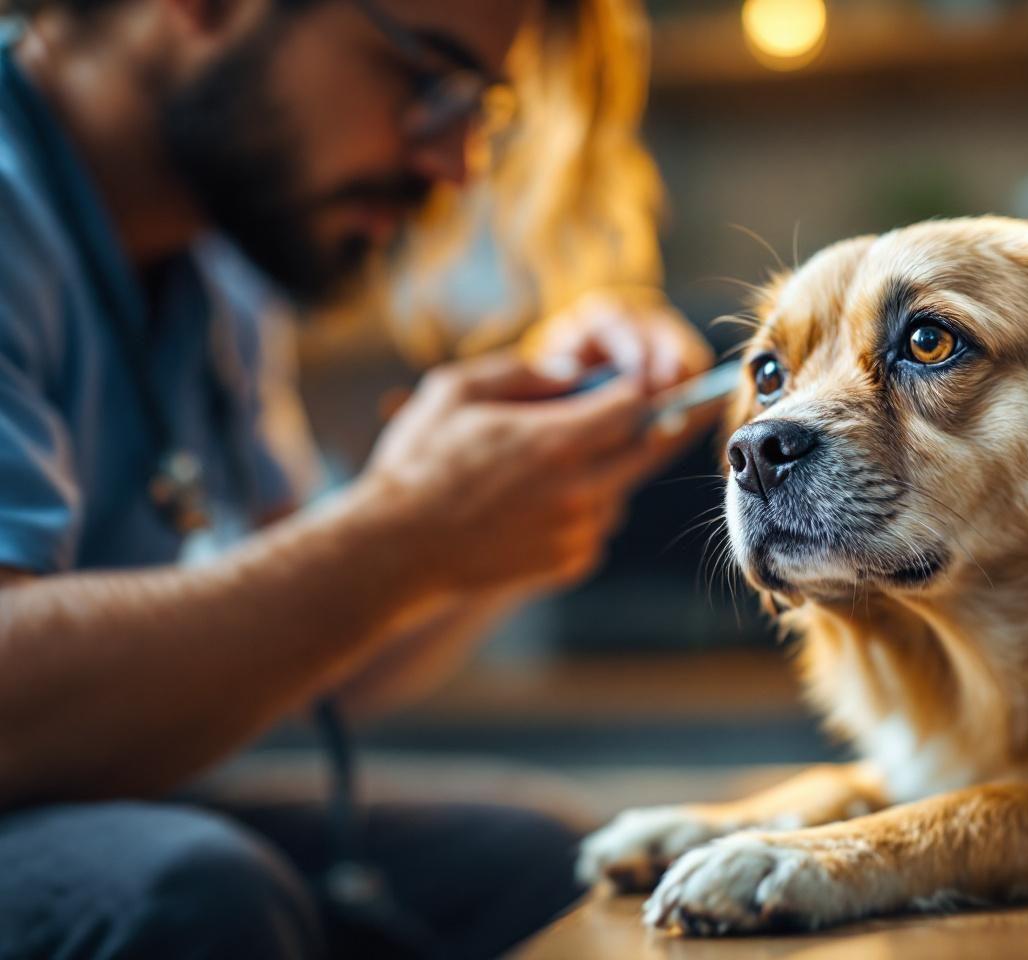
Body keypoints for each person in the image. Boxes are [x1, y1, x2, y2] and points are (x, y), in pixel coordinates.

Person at [0, 0, 714, 957]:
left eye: (477, 111)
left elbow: (314, 645)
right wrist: (401, 533)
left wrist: (537, 474)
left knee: (543, 866)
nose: (456, 166)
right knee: (188, 894)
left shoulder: (213, 271)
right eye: (426, 79)